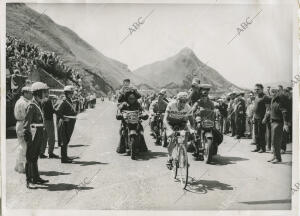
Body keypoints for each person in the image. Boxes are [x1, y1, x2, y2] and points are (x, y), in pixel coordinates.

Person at [23, 82, 49, 188]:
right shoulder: (31, 106)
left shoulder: (38, 104)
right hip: (33, 134)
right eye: (43, 92)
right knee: (30, 157)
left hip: (38, 133)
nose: (45, 94)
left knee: (35, 156)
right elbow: (26, 123)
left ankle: (36, 177)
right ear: (38, 93)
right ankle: (28, 180)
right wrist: (27, 135)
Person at [164, 92, 195, 167]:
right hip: (170, 122)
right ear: (177, 100)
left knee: (185, 139)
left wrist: (192, 129)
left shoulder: (188, 107)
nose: (182, 103)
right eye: (180, 101)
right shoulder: (171, 104)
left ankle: (184, 158)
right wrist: (170, 130)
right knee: (172, 140)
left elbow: (192, 122)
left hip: (181, 123)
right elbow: (165, 119)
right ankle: (170, 157)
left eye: (184, 101)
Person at [55, 85, 77, 163]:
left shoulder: (69, 100)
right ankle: (63, 158)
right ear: (66, 93)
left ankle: (65, 156)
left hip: (70, 123)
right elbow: (57, 110)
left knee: (67, 140)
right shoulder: (63, 101)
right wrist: (63, 118)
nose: (72, 94)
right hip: (65, 123)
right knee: (64, 140)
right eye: (70, 93)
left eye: (72, 92)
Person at [267, 89, 289, 163]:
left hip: (278, 123)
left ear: (277, 93)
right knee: (273, 141)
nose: (273, 93)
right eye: (272, 92)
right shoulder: (273, 101)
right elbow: (271, 111)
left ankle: (278, 158)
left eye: (275, 92)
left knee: (276, 141)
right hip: (273, 122)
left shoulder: (280, 101)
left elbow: (284, 112)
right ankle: (274, 156)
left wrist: (285, 124)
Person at [14, 86, 32, 173]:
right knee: (23, 146)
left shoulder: (22, 101)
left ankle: (17, 165)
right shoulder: (23, 103)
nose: (31, 94)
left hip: (21, 123)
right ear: (25, 93)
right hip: (22, 123)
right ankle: (20, 166)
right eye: (29, 93)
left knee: (22, 144)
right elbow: (27, 115)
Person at [40, 85, 60, 159]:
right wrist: (55, 108)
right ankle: (50, 152)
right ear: (46, 92)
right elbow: (51, 110)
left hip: (44, 119)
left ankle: (41, 152)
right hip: (49, 120)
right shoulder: (48, 100)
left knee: (44, 137)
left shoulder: (42, 100)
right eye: (48, 91)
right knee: (51, 137)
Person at [252, 84, 270, 153]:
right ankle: (257, 147)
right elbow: (255, 108)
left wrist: (265, 118)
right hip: (256, 117)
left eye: (258, 89)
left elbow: (268, 109)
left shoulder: (265, 97)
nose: (256, 90)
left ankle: (263, 148)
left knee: (261, 133)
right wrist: (253, 117)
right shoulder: (256, 97)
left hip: (262, 118)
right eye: (255, 89)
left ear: (262, 89)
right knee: (256, 133)